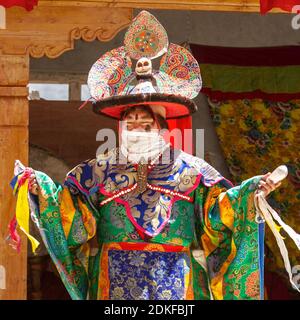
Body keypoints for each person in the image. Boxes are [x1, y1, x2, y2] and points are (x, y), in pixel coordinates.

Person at [9, 11, 290, 300]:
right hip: (113, 283)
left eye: (146, 123)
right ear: (120, 127)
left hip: (178, 284)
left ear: (162, 126)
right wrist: (39, 187)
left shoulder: (193, 172)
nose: (137, 129)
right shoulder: (98, 171)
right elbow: (68, 215)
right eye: (130, 123)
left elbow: (220, 213)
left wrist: (252, 192)